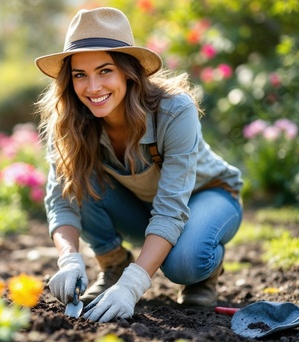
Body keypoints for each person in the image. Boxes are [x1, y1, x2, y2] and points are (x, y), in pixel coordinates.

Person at [34, 7, 243, 323]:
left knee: (184, 263)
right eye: (80, 75)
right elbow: (60, 200)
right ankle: (114, 265)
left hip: (209, 196)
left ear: (128, 72)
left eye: (105, 71)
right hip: (144, 207)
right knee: (78, 177)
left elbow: (171, 210)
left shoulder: (173, 112)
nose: (92, 88)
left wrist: (133, 287)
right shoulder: (69, 121)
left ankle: (204, 274)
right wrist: (70, 260)